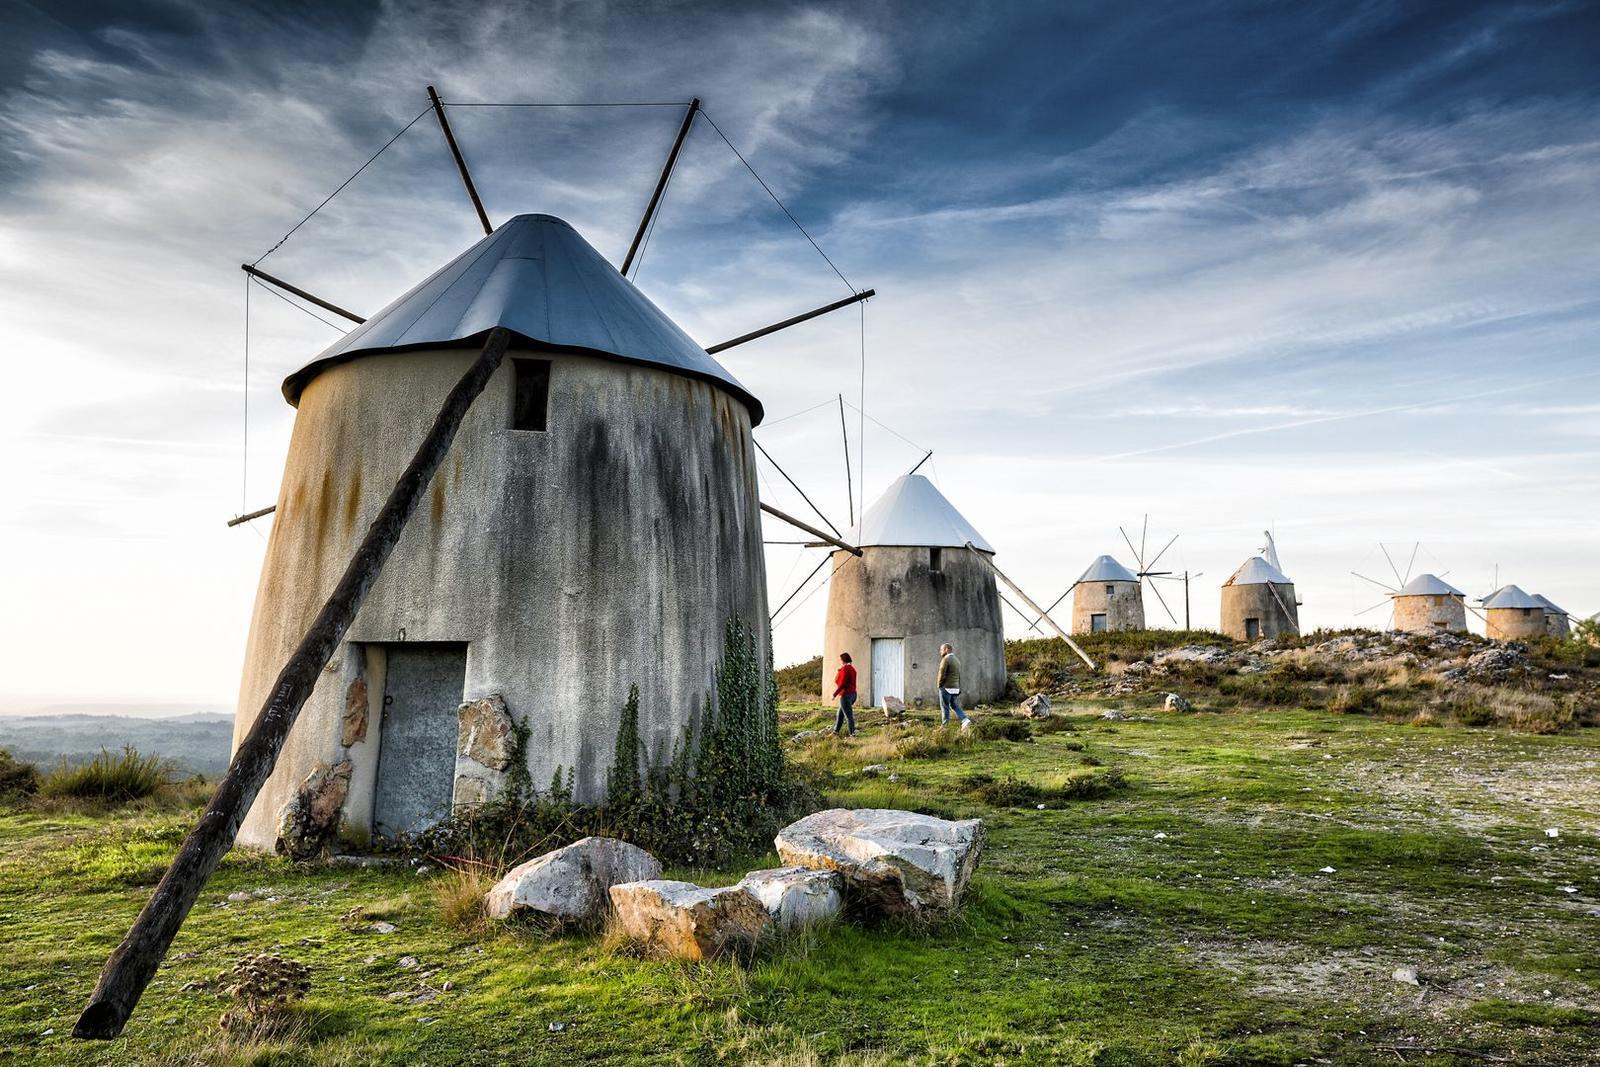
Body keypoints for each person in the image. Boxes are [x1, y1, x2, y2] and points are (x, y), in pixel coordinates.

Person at [936, 643, 969, 727]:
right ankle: (965, 720)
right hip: (955, 687)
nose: (940, 652)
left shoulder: (946, 659)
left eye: (941, 649)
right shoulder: (957, 660)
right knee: (954, 705)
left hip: (946, 687)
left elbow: (942, 673)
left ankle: (944, 726)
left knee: (944, 707)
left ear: (947, 649)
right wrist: (958, 687)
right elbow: (958, 675)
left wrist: (939, 685)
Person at [831, 652, 858, 736]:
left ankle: (852, 734)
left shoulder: (845, 669)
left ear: (843, 660)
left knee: (848, 716)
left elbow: (842, 683)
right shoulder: (852, 669)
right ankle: (835, 732)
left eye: (841, 659)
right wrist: (840, 671)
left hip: (846, 695)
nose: (840, 661)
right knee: (840, 714)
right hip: (853, 694)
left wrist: (835, 694)